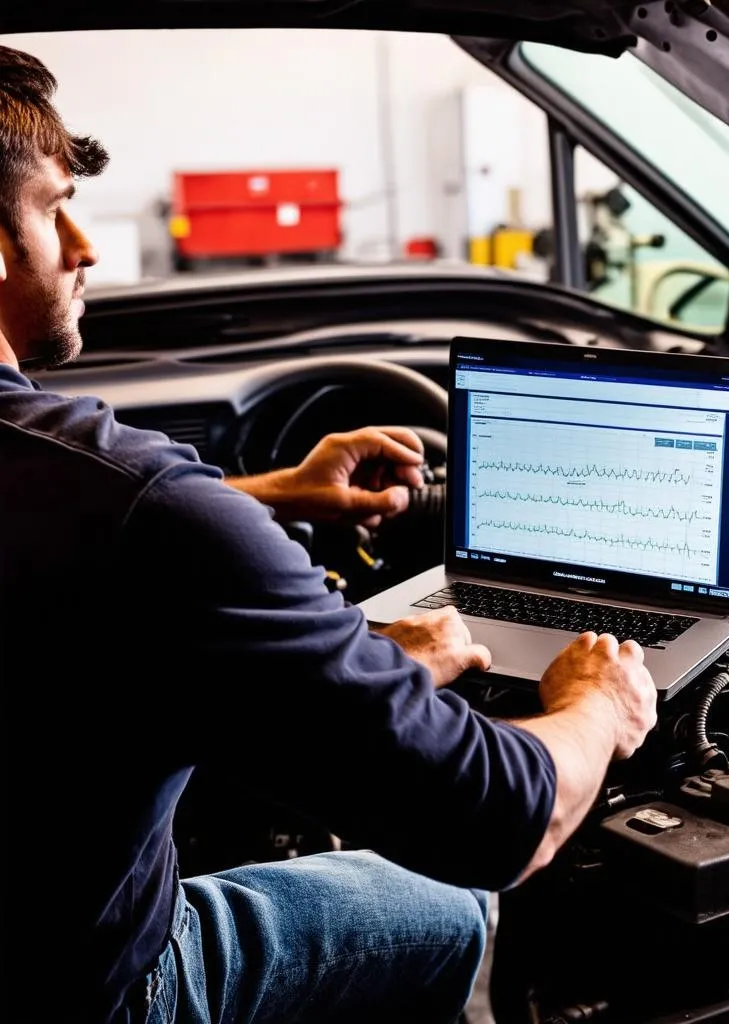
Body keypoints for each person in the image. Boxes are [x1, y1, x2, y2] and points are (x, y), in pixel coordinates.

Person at [0, 45, 658, 1024]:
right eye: (55, 208)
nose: (85, 247)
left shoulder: (114, 504)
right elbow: (502, 816)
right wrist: (597, 704)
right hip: (93, 992)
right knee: (443, 904)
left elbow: (73, 538)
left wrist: (265, 502)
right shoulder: (156, 515)